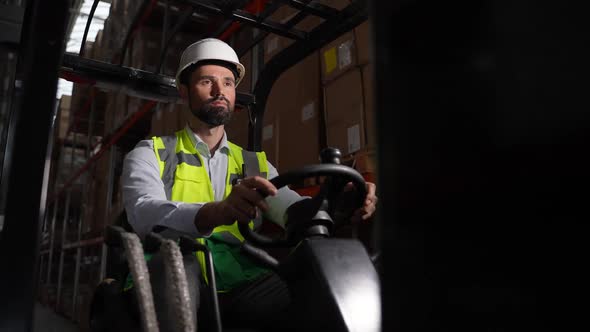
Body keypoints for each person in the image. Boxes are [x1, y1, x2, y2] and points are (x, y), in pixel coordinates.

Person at [121, 38, 378, 331]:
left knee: (316, 280)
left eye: (228, 83)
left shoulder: (255, 164)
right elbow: (142, 211)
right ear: (184, 91)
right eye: (208, 81)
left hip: (240, 279)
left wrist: (339, 201)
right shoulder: (151, 152)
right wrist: (216, 212)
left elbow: (291, 209)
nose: (220, 91)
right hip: (172, 272)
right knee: (179, 271)